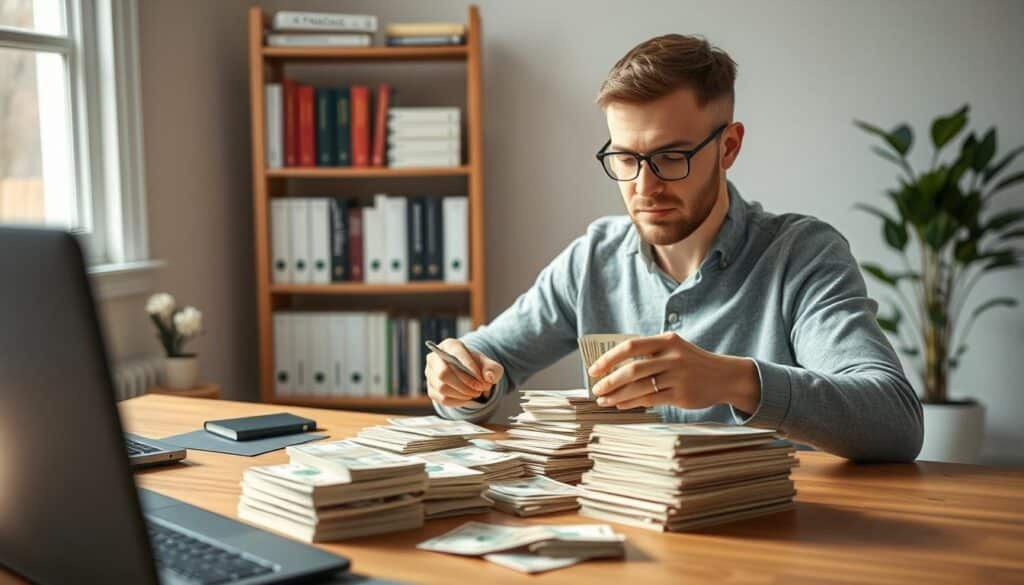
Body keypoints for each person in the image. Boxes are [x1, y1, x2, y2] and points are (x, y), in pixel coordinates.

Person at [425, 33, 922, 462]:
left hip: (765, 550)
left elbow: (894, 421)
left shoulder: (803, 255)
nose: (644, 186)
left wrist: (734, 381)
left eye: (670, 157)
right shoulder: (592, 258)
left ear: (728, 147)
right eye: (624, 157)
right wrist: (461, 382)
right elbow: (485, 365)